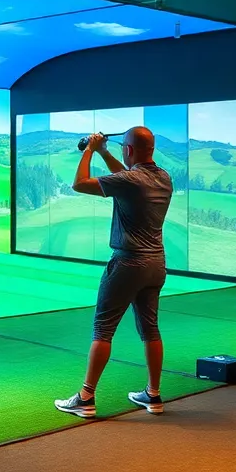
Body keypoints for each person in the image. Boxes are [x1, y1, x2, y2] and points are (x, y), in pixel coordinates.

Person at [55, 127, 173, 418]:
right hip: (156, 264)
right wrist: (106, 152)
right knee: (150, 329)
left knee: (103, 329)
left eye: (123, 148)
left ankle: (85, 398)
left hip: (127, 264)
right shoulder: (163, 177)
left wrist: (90, 150)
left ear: (129, 150)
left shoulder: (131, 180)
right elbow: (126, 178)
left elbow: (79, 183)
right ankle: (153, 395)